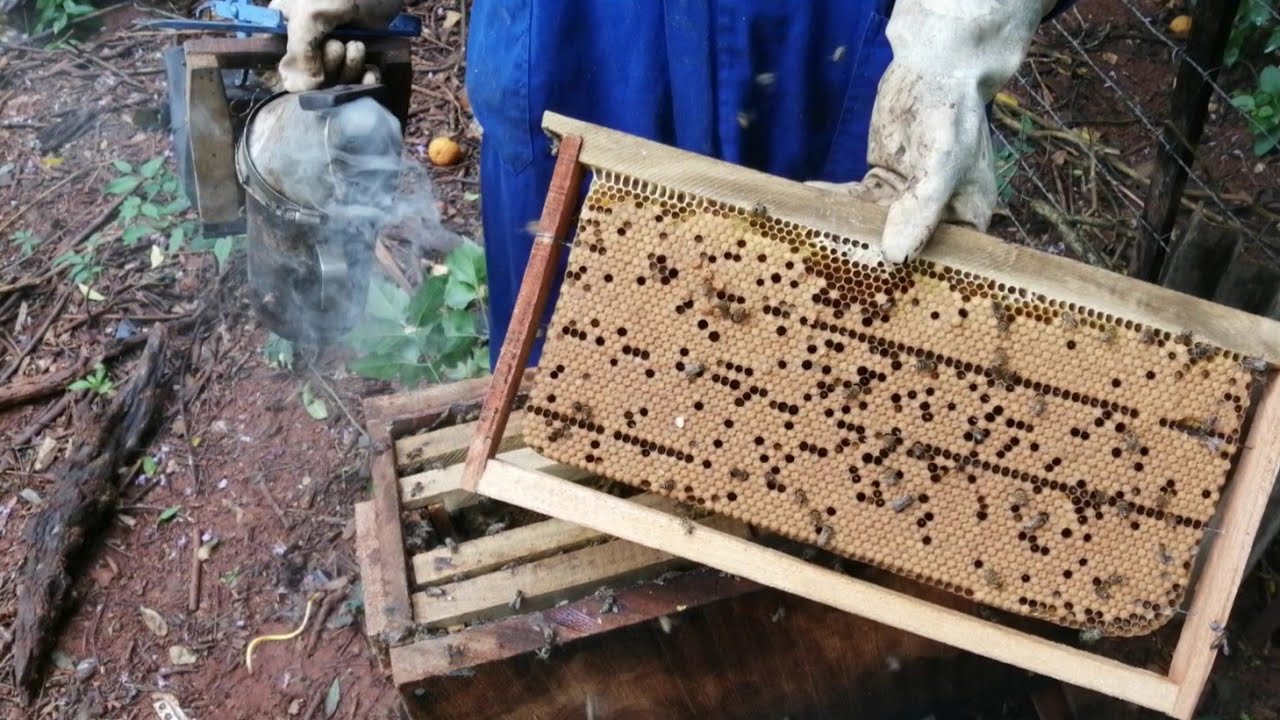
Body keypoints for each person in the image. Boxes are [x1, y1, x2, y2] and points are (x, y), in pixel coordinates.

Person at [466, 1, 1076, 367]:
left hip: (818, 36)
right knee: (578, 376)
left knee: (837, 363)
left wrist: (963, 27)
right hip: (584, 30)